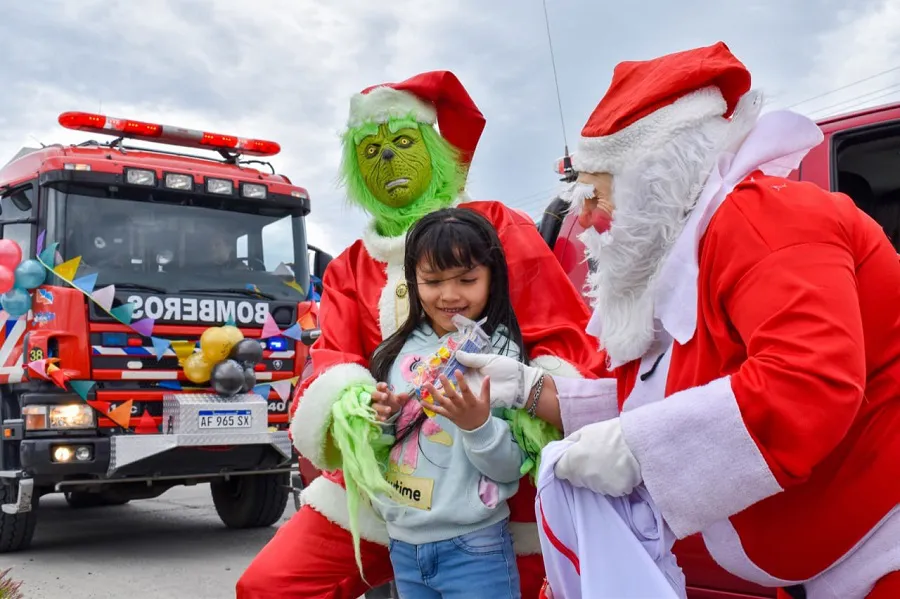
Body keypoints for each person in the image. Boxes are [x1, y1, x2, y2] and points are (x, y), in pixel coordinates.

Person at [456, 42, 900, 599]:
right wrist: (530, 388)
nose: (583, 217)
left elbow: (807, 381)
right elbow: (665, 401)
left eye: (594, 193)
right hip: (829, 572)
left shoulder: (766, 218)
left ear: (654, 174)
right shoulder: (686, 255)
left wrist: (636, 448)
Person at [236, 71, 609, 599]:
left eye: (403, 142)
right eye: (370, 150)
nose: (388, 159)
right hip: (383, 490)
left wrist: (521, 407)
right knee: (269, 586)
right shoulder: (349, 266)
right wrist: (361, 407)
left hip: (494, 501)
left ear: (434, 150)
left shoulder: (495, 226)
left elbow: (562, 337)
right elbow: (334, 361)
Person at [367, 208, 528, 598]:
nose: (450, 295)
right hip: (403, 544)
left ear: (493, 277)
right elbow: (378, 451)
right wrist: (383, 419)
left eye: (467, 279)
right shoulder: (395, 353)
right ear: (413, 281)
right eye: (433, 280)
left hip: (476, 546)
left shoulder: (502, 355)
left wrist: (478, 426)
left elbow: (512, 467)